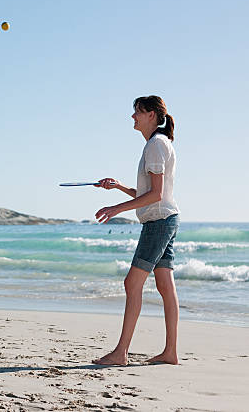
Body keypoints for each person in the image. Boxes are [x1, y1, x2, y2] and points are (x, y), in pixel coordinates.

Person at [93, 96, 179, 366]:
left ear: (151, 115)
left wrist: (116, 208)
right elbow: (149, 193)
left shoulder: (155, 145)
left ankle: (120, 353)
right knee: (165, 285)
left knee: (132, 283)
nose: (133, 117)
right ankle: (170, 353)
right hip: (166, 219)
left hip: (158, 223)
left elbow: (154, 195)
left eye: (137, 113)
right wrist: (118, 186)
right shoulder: (158, 144)